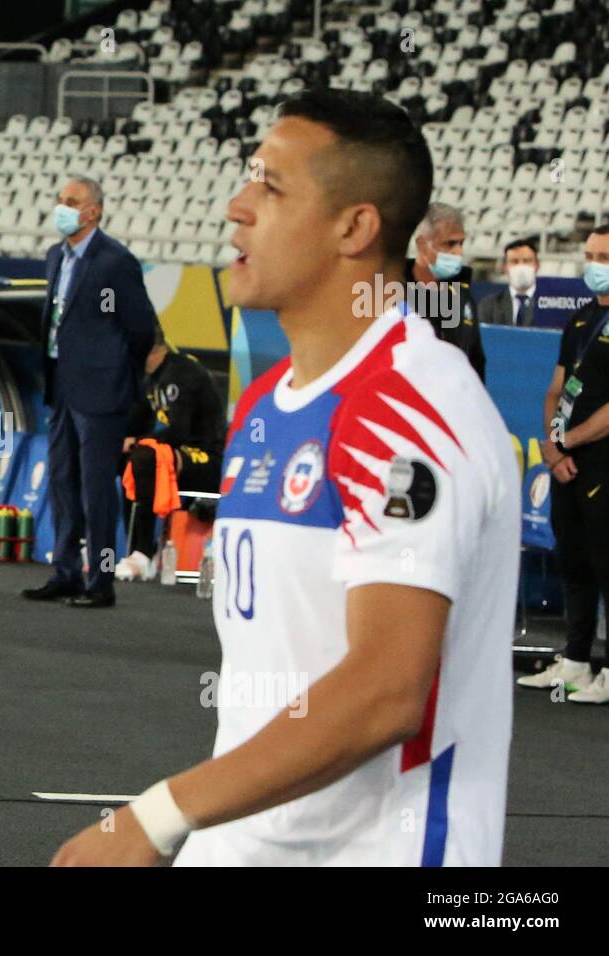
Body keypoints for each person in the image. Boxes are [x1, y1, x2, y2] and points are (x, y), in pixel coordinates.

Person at [53, 88, 518, 866]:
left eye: (269, 186)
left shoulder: (406, 404)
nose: (237, 206)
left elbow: (383, 690)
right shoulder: (269, 402)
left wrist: (156, 816)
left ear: (356, 226)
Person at [21, 174, 155, 609]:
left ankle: (100, 579)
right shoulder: (55, 256)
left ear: (93, 211)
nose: (62, 206)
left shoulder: (114, 262)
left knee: (97, 488)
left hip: (101, 390)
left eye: (72, 201)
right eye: (59, 199)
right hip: (61, 383)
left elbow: (139, 328)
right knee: (62, 478)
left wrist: (115, 371)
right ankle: (65, 572)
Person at [521, 224, 609, 703]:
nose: (595, 265)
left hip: (602, 464)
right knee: (573, 562)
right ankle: (576, 662)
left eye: (605, 257)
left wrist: (570, 440)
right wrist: (552, 450)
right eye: (591, 255)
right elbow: (557, 387)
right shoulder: (578, 321)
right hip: (567, 464)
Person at [115, 337, 226, 581]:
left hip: (208, 457)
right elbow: (136, 421)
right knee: (122, 459)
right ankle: (119, 547)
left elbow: (180, 432)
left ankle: (143, 553)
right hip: (179, 452)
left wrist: (139, 441)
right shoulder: (150, 380)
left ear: (154, 350)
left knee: (145, 458)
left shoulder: (181, 373)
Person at [406, 202, 486, 381]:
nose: (458, 252)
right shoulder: (393, 296)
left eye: (461, 243)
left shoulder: (463, 297)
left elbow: (476, 360)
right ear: (422, 245)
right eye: (449, 244)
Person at [479, 237, 538, 327]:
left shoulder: (548, 306)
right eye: (514, 261)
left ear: (537, 265)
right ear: (505, 267)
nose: (521, 266)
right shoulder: (488, 306)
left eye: (526, 261)